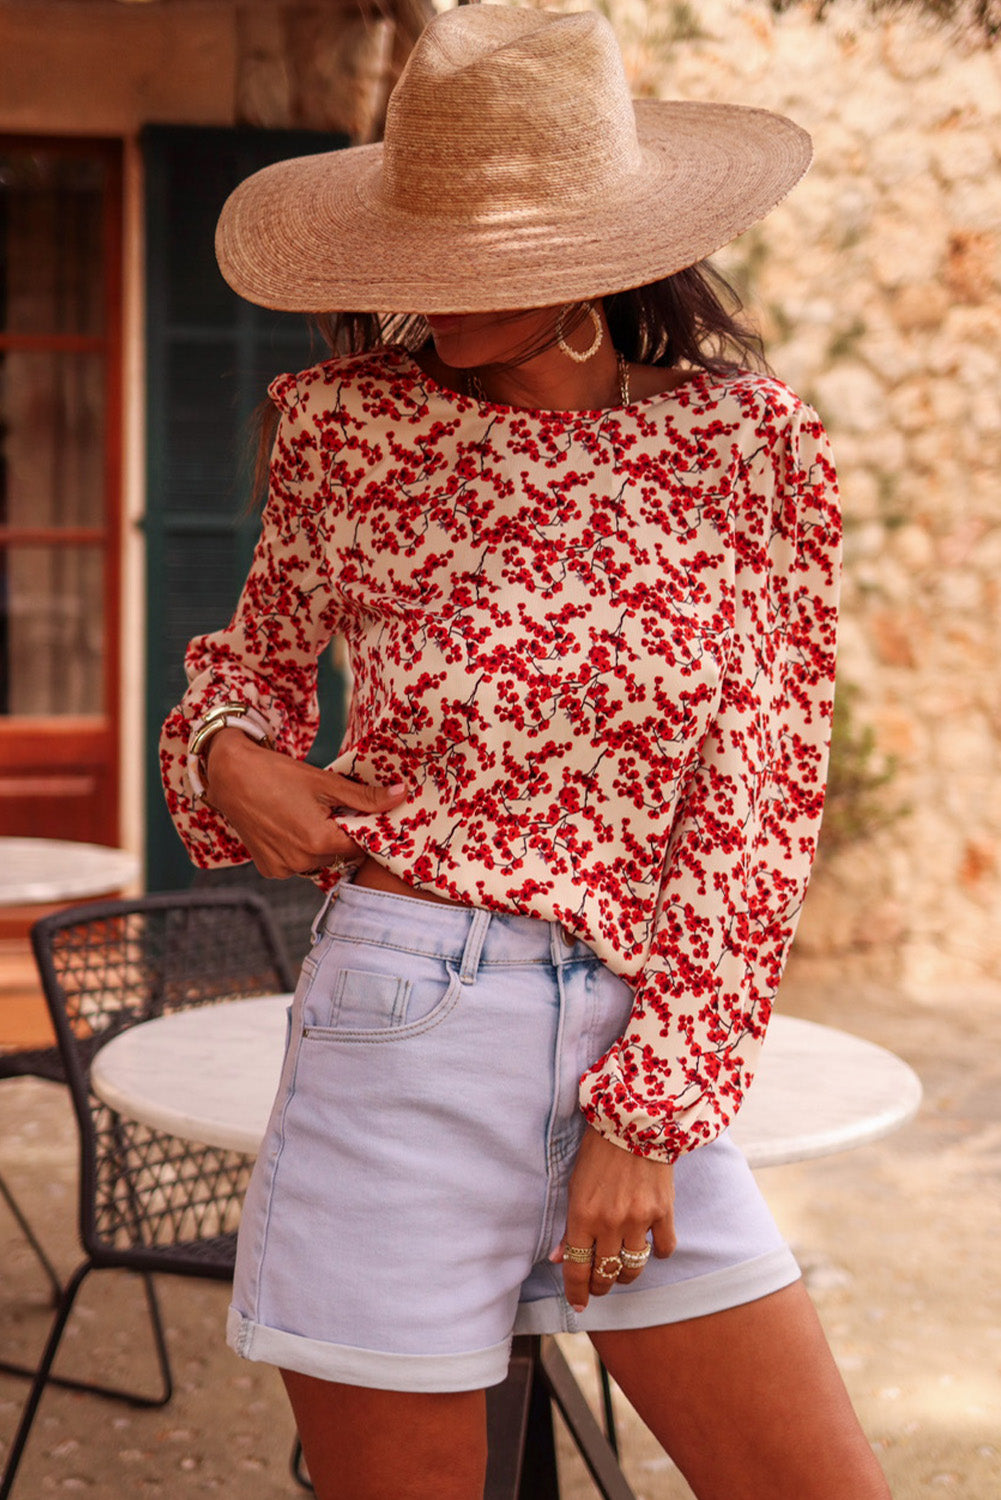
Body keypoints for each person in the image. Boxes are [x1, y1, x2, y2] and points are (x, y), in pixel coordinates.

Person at [160, 6, 890, 1498]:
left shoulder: (746, 449)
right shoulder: (344, 427)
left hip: (635, 1030)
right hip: (398, 1021)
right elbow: (251, 665)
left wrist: (650, 1114)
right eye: (413, 256)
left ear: (602, 260)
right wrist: (227, 753)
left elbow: (759, 808)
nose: (425, 298)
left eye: (477, 258)